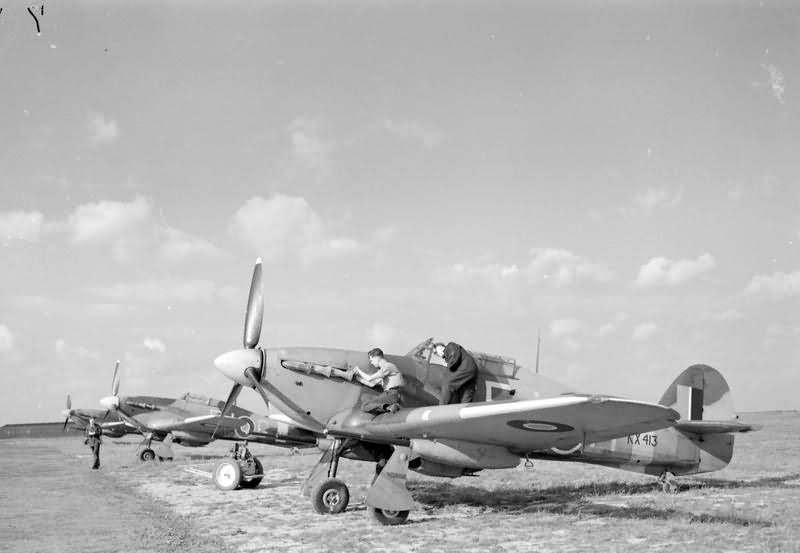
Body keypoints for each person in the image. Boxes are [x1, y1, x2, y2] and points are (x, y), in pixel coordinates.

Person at [349, 348, 404, 415]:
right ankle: (387, 407)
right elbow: (372, 384)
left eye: (371, 360)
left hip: (392, 394)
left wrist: (358, 370)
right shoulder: (385, 370)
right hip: (389, 394)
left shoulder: (387, 366)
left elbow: (369, 378)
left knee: (365, 406)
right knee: (365, 397)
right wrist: (356, 378)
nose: (371, 363)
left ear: (376, 357)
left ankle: (389, 407)